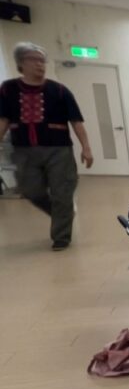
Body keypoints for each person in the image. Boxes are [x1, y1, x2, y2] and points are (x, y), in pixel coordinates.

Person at [0, 42, 94, 251]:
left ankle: (61, 237)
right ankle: (63, 213)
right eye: (33, 60)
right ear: (20, 63)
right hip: (24, 150)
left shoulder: (59, 91)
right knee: (30, 190)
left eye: (42, 60)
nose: (39, 64)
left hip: (58, 150)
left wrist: (86, 147)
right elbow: (3, 120)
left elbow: (76, 122)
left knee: (62, 192)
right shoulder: (7, 89)